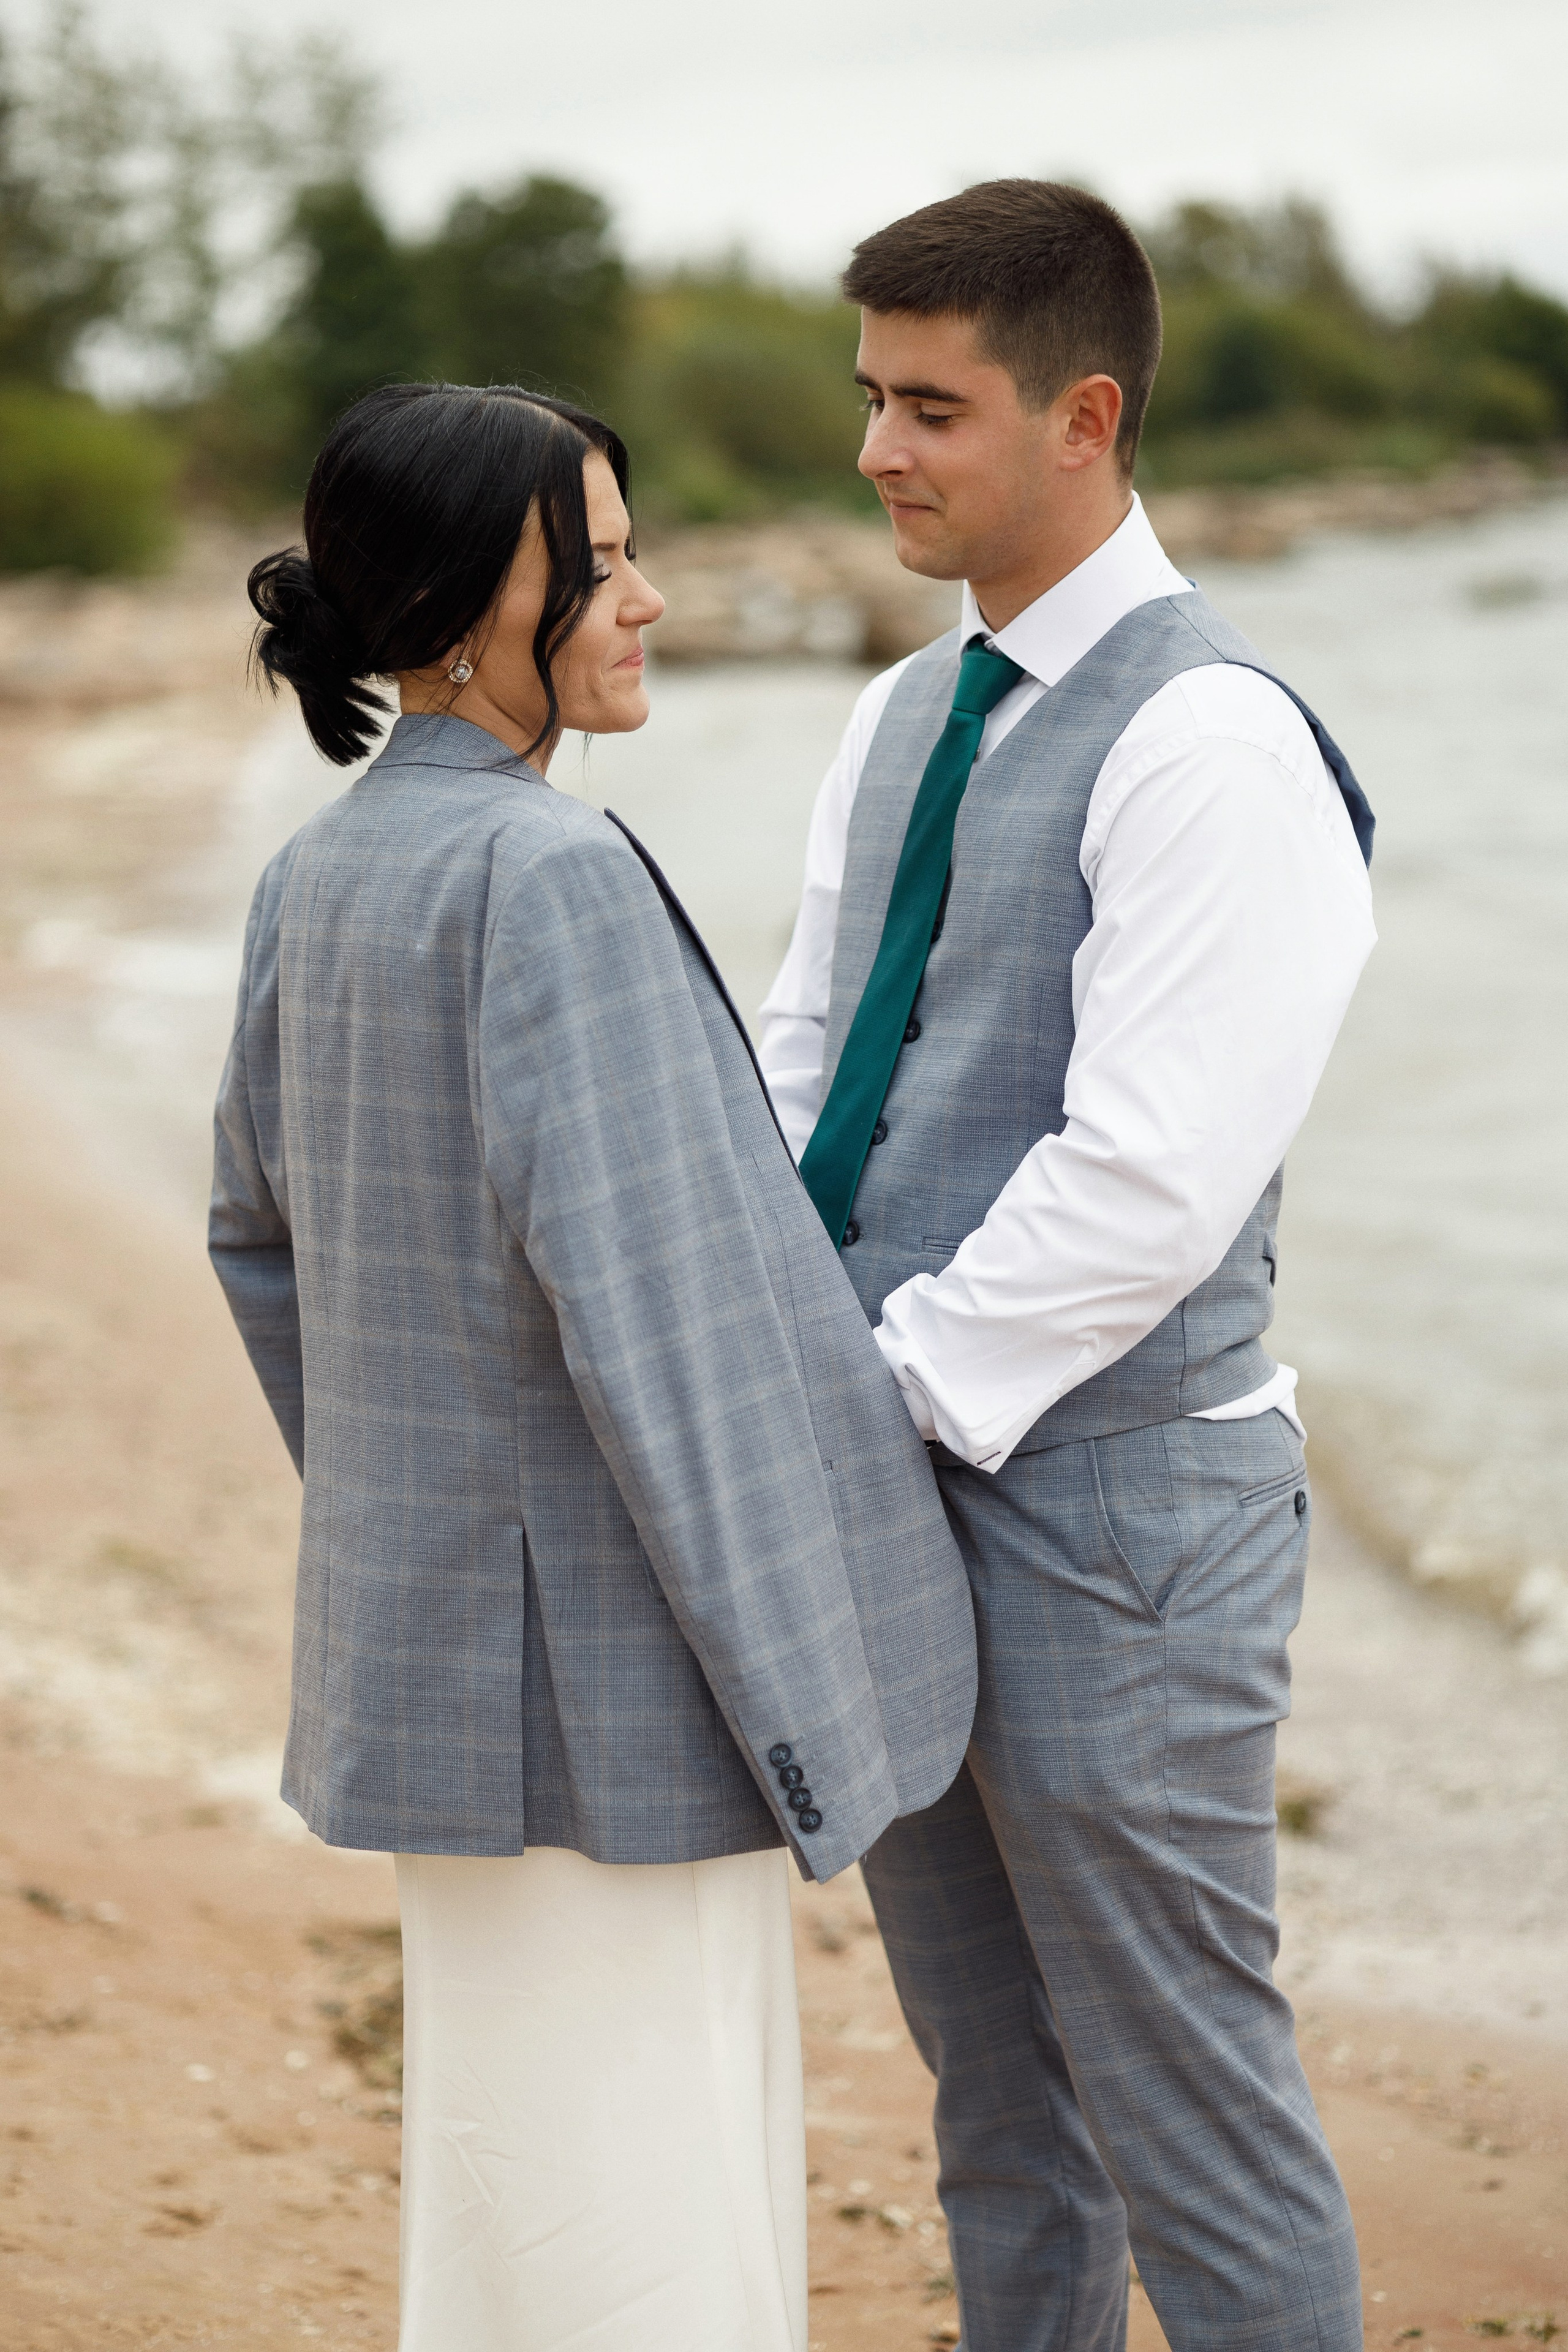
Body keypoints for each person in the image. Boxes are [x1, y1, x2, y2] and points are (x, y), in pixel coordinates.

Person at [211, 380, 976, 2352]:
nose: (648, 598)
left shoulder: (321, 873)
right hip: (617, 1693)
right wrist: (827, 1718)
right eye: (606, 561)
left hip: (431, 1665)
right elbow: (685, 1347)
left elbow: (258, 1248)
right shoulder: (549, 878)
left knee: (510, 2207)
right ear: (474, 604)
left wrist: (423, 1516)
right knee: (651, 2225)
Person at [759, 181, 1378, 2351]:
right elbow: (815, 1068)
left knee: (1189, 2113)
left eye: (930, 407)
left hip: (1124, 1525)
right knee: (998, 2102)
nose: (878, 456)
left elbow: (1147, 1181)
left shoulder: (1219, 742)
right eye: (870, 400)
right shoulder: (905, 716)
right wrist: (765, 1361)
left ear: (1085, 418)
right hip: (906, 1486)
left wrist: (857, 1396)